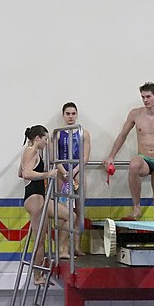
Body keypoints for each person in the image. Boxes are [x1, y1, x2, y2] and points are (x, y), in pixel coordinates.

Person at [104, 82, 154, 221]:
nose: (145, 100)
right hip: (144, 159)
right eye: (143, 97)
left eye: (148, 96)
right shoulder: (136, 114)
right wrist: (111, 156)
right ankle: (136, 207)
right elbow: (122, 135)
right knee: (134, 165)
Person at [19, 125, 71, 285]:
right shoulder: (31, 151)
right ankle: (37, 276)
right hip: (34, 199)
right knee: (40, 240)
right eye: (46, 139)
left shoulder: (30, 152)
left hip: (40, 197)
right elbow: (26, 174)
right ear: (37, 138)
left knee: (70, 216)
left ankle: (61, 248)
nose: (47, 142)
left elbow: (20, 172)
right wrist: (46, 174)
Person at [55, 102, 91, 255]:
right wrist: (64, 173)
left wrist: (75, 171)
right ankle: (62, 247)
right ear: (63, 115)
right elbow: (55, 157)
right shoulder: (57, 134)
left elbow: (85, 157)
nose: (70, 116)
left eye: (73, 114)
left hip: (78, 172)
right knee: (64, 211)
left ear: (77, 115)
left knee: (79, 210)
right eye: (67, 114)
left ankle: (76, 246)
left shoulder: (84, 133)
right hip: (62, 174)